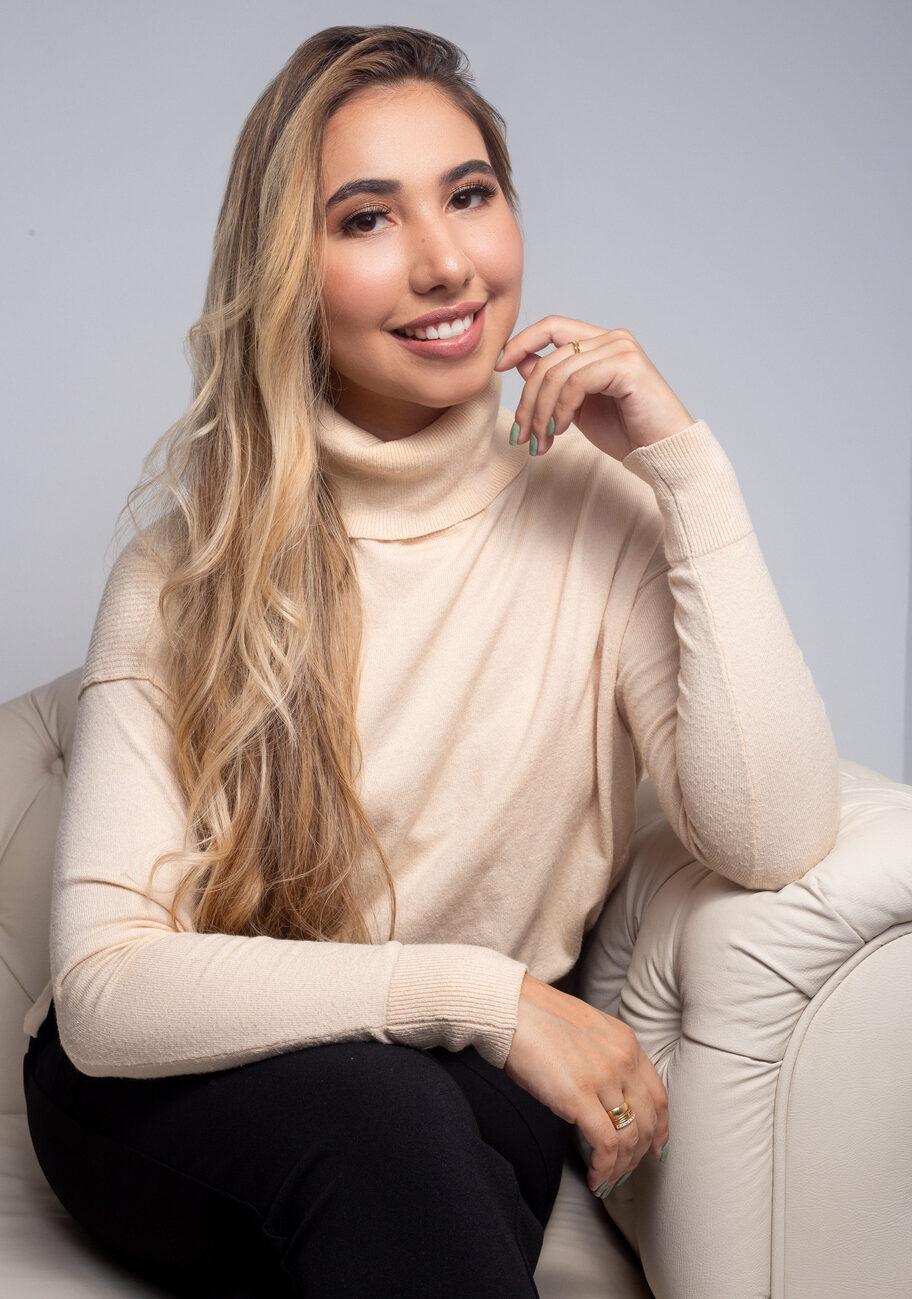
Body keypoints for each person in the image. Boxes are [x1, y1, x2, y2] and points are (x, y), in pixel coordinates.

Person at [21, 22, 841, 1299]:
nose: (446, 261)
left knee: (411, 1132)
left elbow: (773, 837)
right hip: (176, 1089)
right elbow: (109, 994)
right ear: (288, 273)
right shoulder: (192, 565)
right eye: (367, 218)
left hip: (465, 1090)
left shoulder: (604, 512)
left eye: (469, 195)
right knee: (388, 1120)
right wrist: (487, 997)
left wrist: (687, 469)